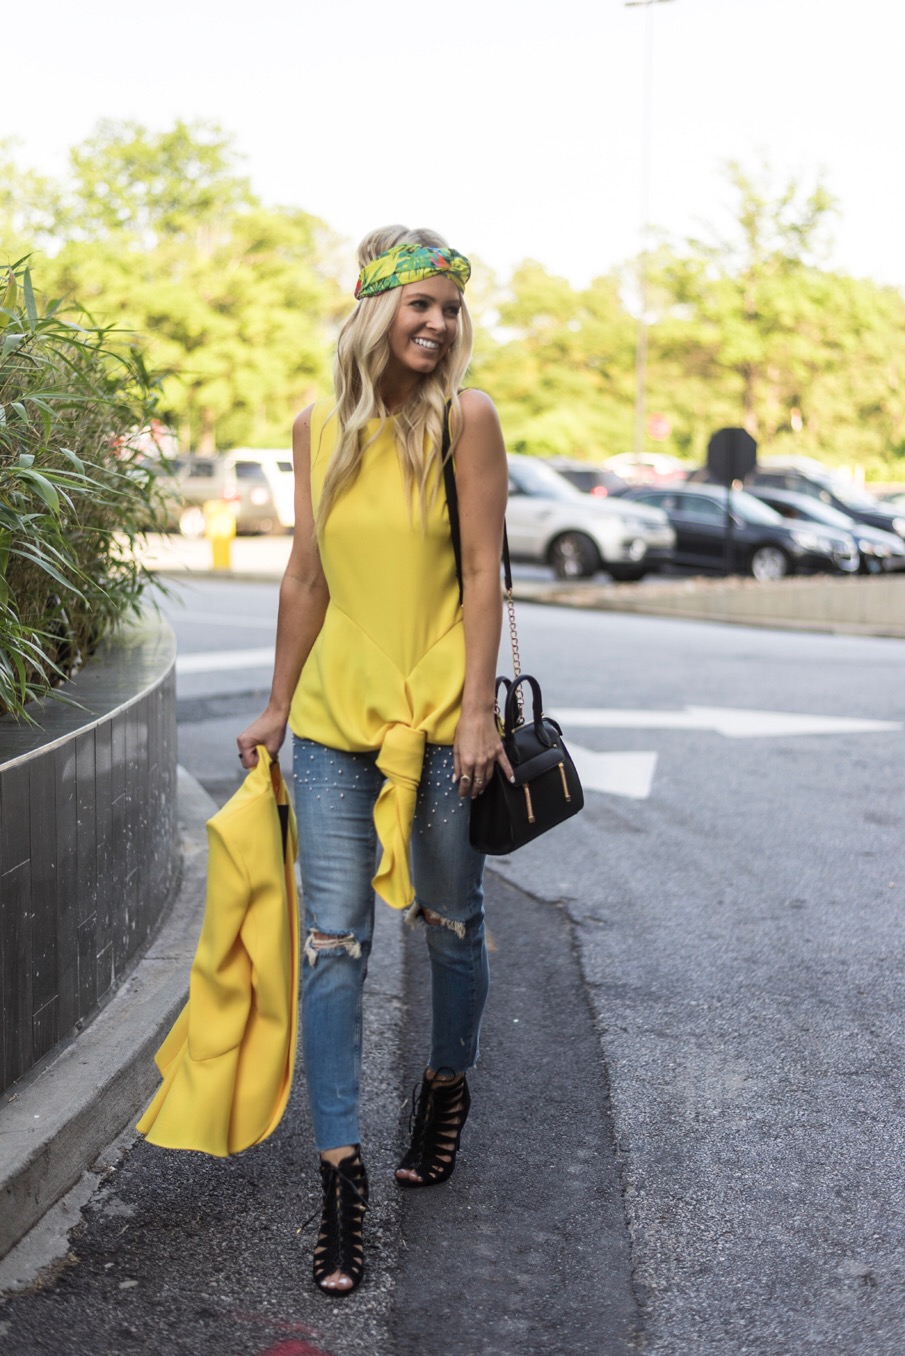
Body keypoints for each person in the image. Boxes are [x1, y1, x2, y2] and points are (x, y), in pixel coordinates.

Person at [237, 225, 512, 1296]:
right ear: (373, 312)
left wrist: (479, 711)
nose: (436, 325)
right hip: (334, 724)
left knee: (449, 921)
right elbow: (304, 576)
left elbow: (485, 572)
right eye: (418, 306)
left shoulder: (466, 421)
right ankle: (340, 1176)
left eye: (449, 309)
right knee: (332, 946)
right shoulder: (320, 427)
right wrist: (272, 704)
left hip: (444, 716)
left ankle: (444, 1085)